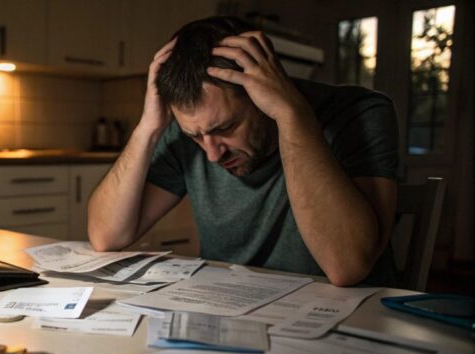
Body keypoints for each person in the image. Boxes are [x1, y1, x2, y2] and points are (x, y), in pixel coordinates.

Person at [87, 16, 398, 287]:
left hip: (351, 324)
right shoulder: (192, 132)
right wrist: (148, 128)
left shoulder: (358, 113)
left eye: (226, 128)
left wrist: (290, 114)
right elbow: (106, 236)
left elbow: (347, 267)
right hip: (235, 310)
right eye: (195, 137)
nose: (212, 154)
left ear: (262, 95)